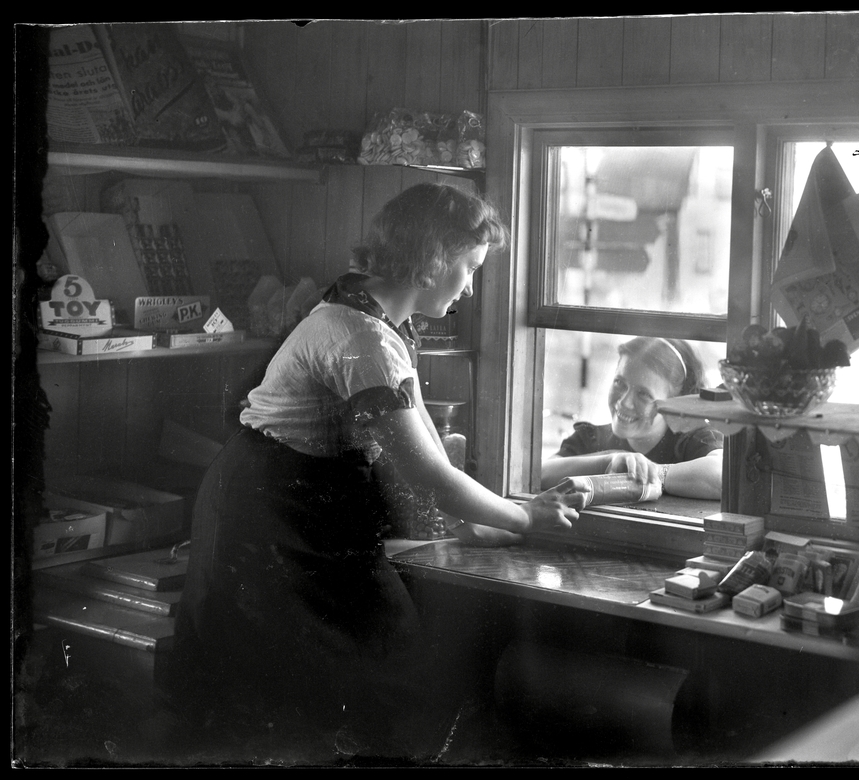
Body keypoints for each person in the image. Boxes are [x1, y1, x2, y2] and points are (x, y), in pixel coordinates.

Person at [162, 182, 578, 761]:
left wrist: (472, 523)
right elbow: (427, 475)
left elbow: (422, 435)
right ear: (432, 260)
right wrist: (524, 516)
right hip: (269, 516)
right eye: (469, 268)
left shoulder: (379, 318)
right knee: (367, 678)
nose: (470, 286)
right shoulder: (362, 338)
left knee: (365, 680)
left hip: (298, 509)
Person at [540, 336, 724, 500]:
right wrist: (609, 461)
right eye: (619, 382)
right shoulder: (591, 437)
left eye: (643, 394)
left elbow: (723, 475)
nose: (624, 402)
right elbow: (540, 472)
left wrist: (651, 473)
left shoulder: (692, 440)